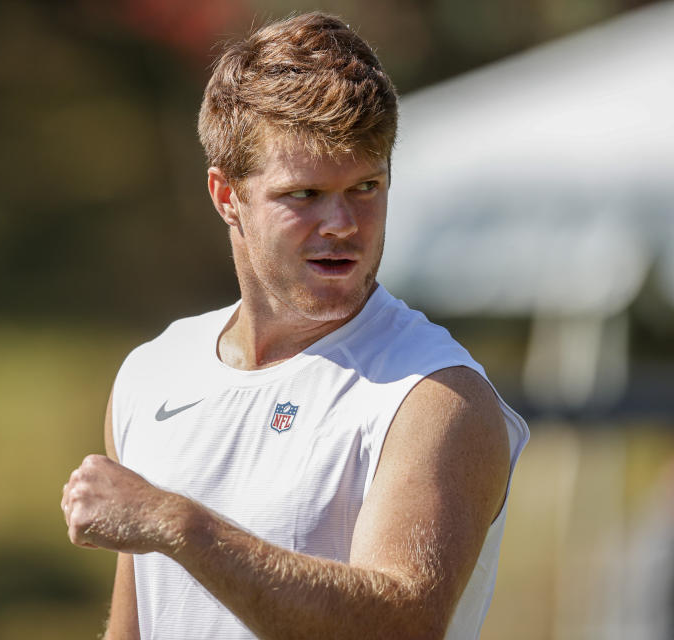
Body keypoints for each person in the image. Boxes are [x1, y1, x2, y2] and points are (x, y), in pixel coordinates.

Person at [61, 12, 529, 639]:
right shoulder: (152, 374)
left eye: (366, 186)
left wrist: (179, 524)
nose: (341, 223)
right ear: (227, 196)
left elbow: (403, 625)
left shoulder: (435, 395)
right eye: (304, 194)